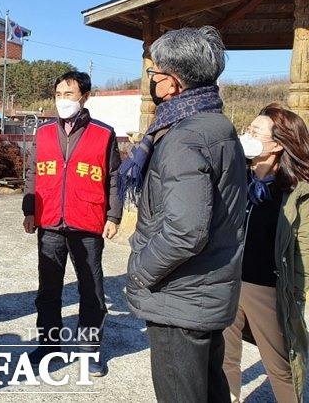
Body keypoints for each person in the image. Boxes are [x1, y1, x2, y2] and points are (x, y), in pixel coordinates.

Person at [119, 26, 248, 402]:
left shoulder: (184, 137)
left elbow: (185, 231)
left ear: (172, 83)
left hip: (180, 296)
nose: (151, 81)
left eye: (154, 73)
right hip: (205, 292)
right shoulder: (217, 125)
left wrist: (140, 270)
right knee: (209, 391)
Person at [22, 71, 122, 377]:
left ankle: (89, 350)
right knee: (48, 290)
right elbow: (32, 173)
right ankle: (49, 344)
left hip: (88, 223)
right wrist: (29, 211)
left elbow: (116, 178)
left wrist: (113, 216)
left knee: (91, 290)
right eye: (58, 95)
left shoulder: (104, 134)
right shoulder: (43, 133)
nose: (63, 101)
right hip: (50, 221)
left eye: (69, 94)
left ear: (85, 97)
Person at [223, 104, 309, 402]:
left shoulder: (296, 192)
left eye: (255, 132)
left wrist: (296, 294)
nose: (247, 135)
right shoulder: (237, 179)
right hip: (227, 280)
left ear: (277, 144)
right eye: (247, 130)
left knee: (280, 365)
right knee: (225, 359)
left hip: (266, 288)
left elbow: (303, 250)